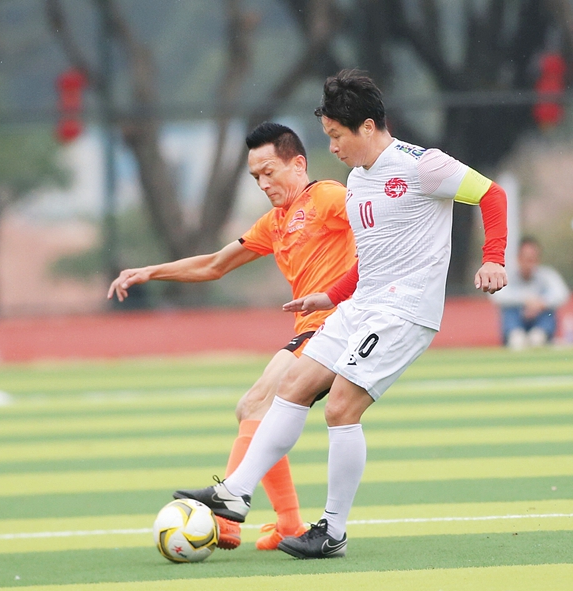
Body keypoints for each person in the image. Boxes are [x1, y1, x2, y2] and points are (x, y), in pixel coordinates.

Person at [174, 69, 508, 559]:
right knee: (293, 385)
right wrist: (329, 296)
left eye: (336, 135)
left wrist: (493, 258)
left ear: (367, 127)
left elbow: (491, 194)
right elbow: (371, 259)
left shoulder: (423, 165)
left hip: (402, 311)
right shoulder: (357, 180)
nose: (331, 147)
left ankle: (331, 531)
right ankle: (235, 493)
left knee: (340, 408)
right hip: (360, 305)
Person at [107, 122, 357, 551]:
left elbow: (380, 226)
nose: (263, 183)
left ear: (298, 165)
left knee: (256, 404)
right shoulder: (275, 223)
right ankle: (288, 523)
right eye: (256, 177)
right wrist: (151, 271)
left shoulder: (328, 198)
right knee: (254, 411)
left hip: (336, 326)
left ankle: (228, 518)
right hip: (313, 330)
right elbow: (215, 265)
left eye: (269, 172)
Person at [490, 236, 570, 349]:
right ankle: (516, 337)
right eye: (526, 259)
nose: (529, 263)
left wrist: (541, 303)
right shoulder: (507, 275)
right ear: (518, 258)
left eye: (532, 259)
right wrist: (525, 301)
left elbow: (562, 294)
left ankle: (540, 336)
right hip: (517, 319)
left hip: (540, 318)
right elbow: (497, 295)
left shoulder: (547, 276)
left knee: (548, 312)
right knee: (509, 311)